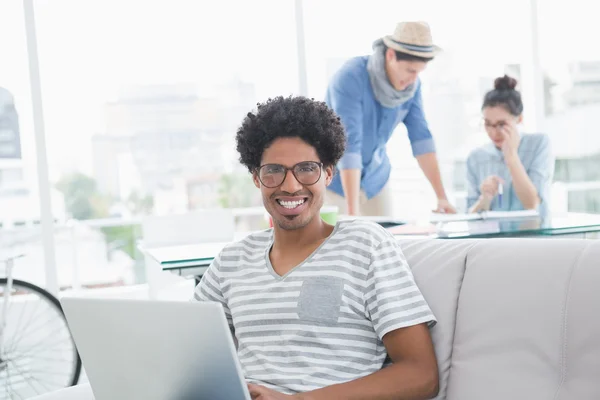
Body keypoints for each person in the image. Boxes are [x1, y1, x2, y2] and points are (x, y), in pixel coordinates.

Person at [194, 96, 439, 399]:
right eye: (273, 170)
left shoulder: (365, 245)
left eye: (307, 168)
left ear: (329, 173)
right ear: (257, 178)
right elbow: (187, 357)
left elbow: (421, 374)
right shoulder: (230, 262)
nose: (291, 186)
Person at [324, 21, 456, 217]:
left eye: (419, 73)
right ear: (391, 55)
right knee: (346, 238)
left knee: (384, 239)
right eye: (410, 70)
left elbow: (422, 140)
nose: (414, 79)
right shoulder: (350, 77)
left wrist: (442, 197)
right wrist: (353, 213)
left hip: (375, 180)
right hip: (335, 180)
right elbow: (350, 145)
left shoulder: (412, 87)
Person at [466, 75, 554, 215]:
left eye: (501, 124)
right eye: (488, 124)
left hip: (533, 235)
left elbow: (532, 203)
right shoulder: (476, 158)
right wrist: (485, 199)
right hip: (494, 237)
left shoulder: (538, 144)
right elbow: (470, 216)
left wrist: (511, 156)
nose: (494, 132)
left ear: (519, 119)